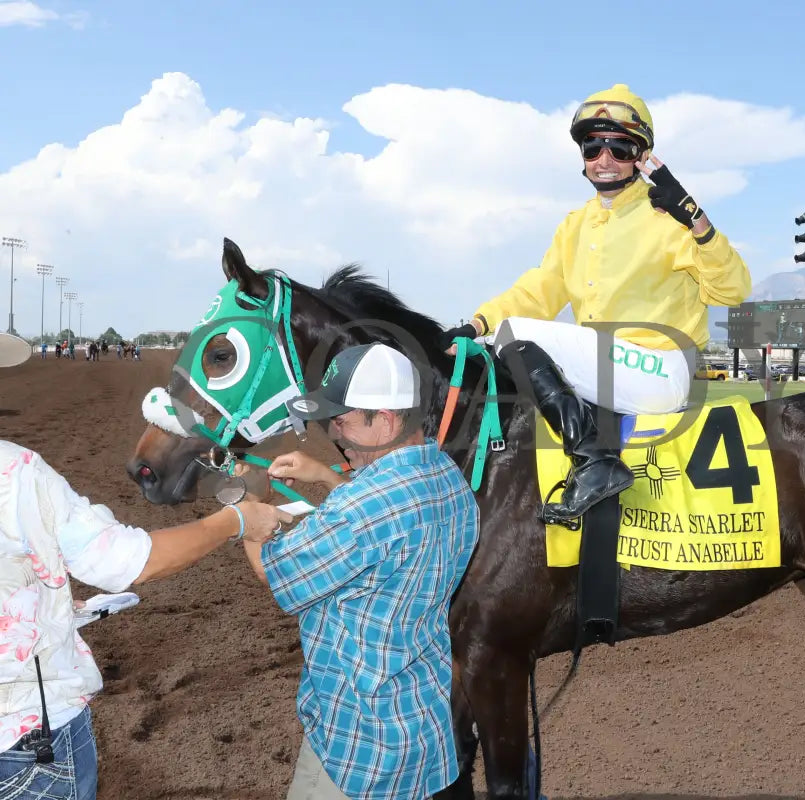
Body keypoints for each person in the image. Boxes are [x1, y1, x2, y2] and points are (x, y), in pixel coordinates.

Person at [441, 83, 751, 524]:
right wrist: (474, 324)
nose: (603, 159)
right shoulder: (576, 224)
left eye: (619, 148)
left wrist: (697, 221)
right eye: (592, 147)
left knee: (513, 335)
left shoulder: (669, 217)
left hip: (660, 368)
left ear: (641, 156)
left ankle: (595, 463)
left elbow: (733, 291)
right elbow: (539, 291)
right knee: (498, 349)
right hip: (606, 367)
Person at [0, 333, 290, 800]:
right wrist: (235, 520)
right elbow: (122, 561)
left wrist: (41, 601)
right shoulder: (13, 473)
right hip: (28, 734)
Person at [239, 342, 479, 800]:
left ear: (385, 421)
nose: (334, 431)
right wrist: (327, 477)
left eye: (343, 419)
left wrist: (248, 514)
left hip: (356, 745)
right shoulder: (449, 478)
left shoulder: (359, 510)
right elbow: (388, 524)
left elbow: (276, 572)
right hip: (420, 725)